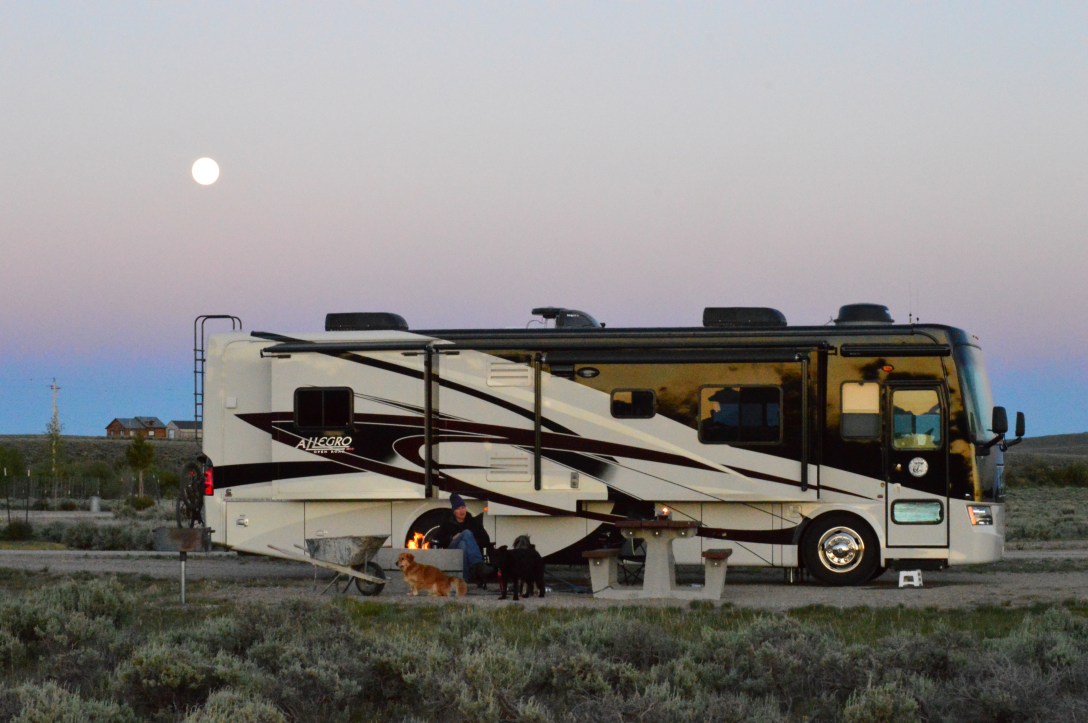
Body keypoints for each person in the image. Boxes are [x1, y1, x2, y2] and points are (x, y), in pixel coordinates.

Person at [434, 493, 493, 586]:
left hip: (466, 550)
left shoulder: (472, 521)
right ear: (454, 511)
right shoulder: (448, 522)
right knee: (466, 533)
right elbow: (437, 539)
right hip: (451, 547)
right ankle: (479, 564)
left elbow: (486, 539)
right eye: (458, 508)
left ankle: (464, 580)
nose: (461, 511)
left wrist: (472, 541)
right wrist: (451, 538)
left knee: (463, 544)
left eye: (463, 507)